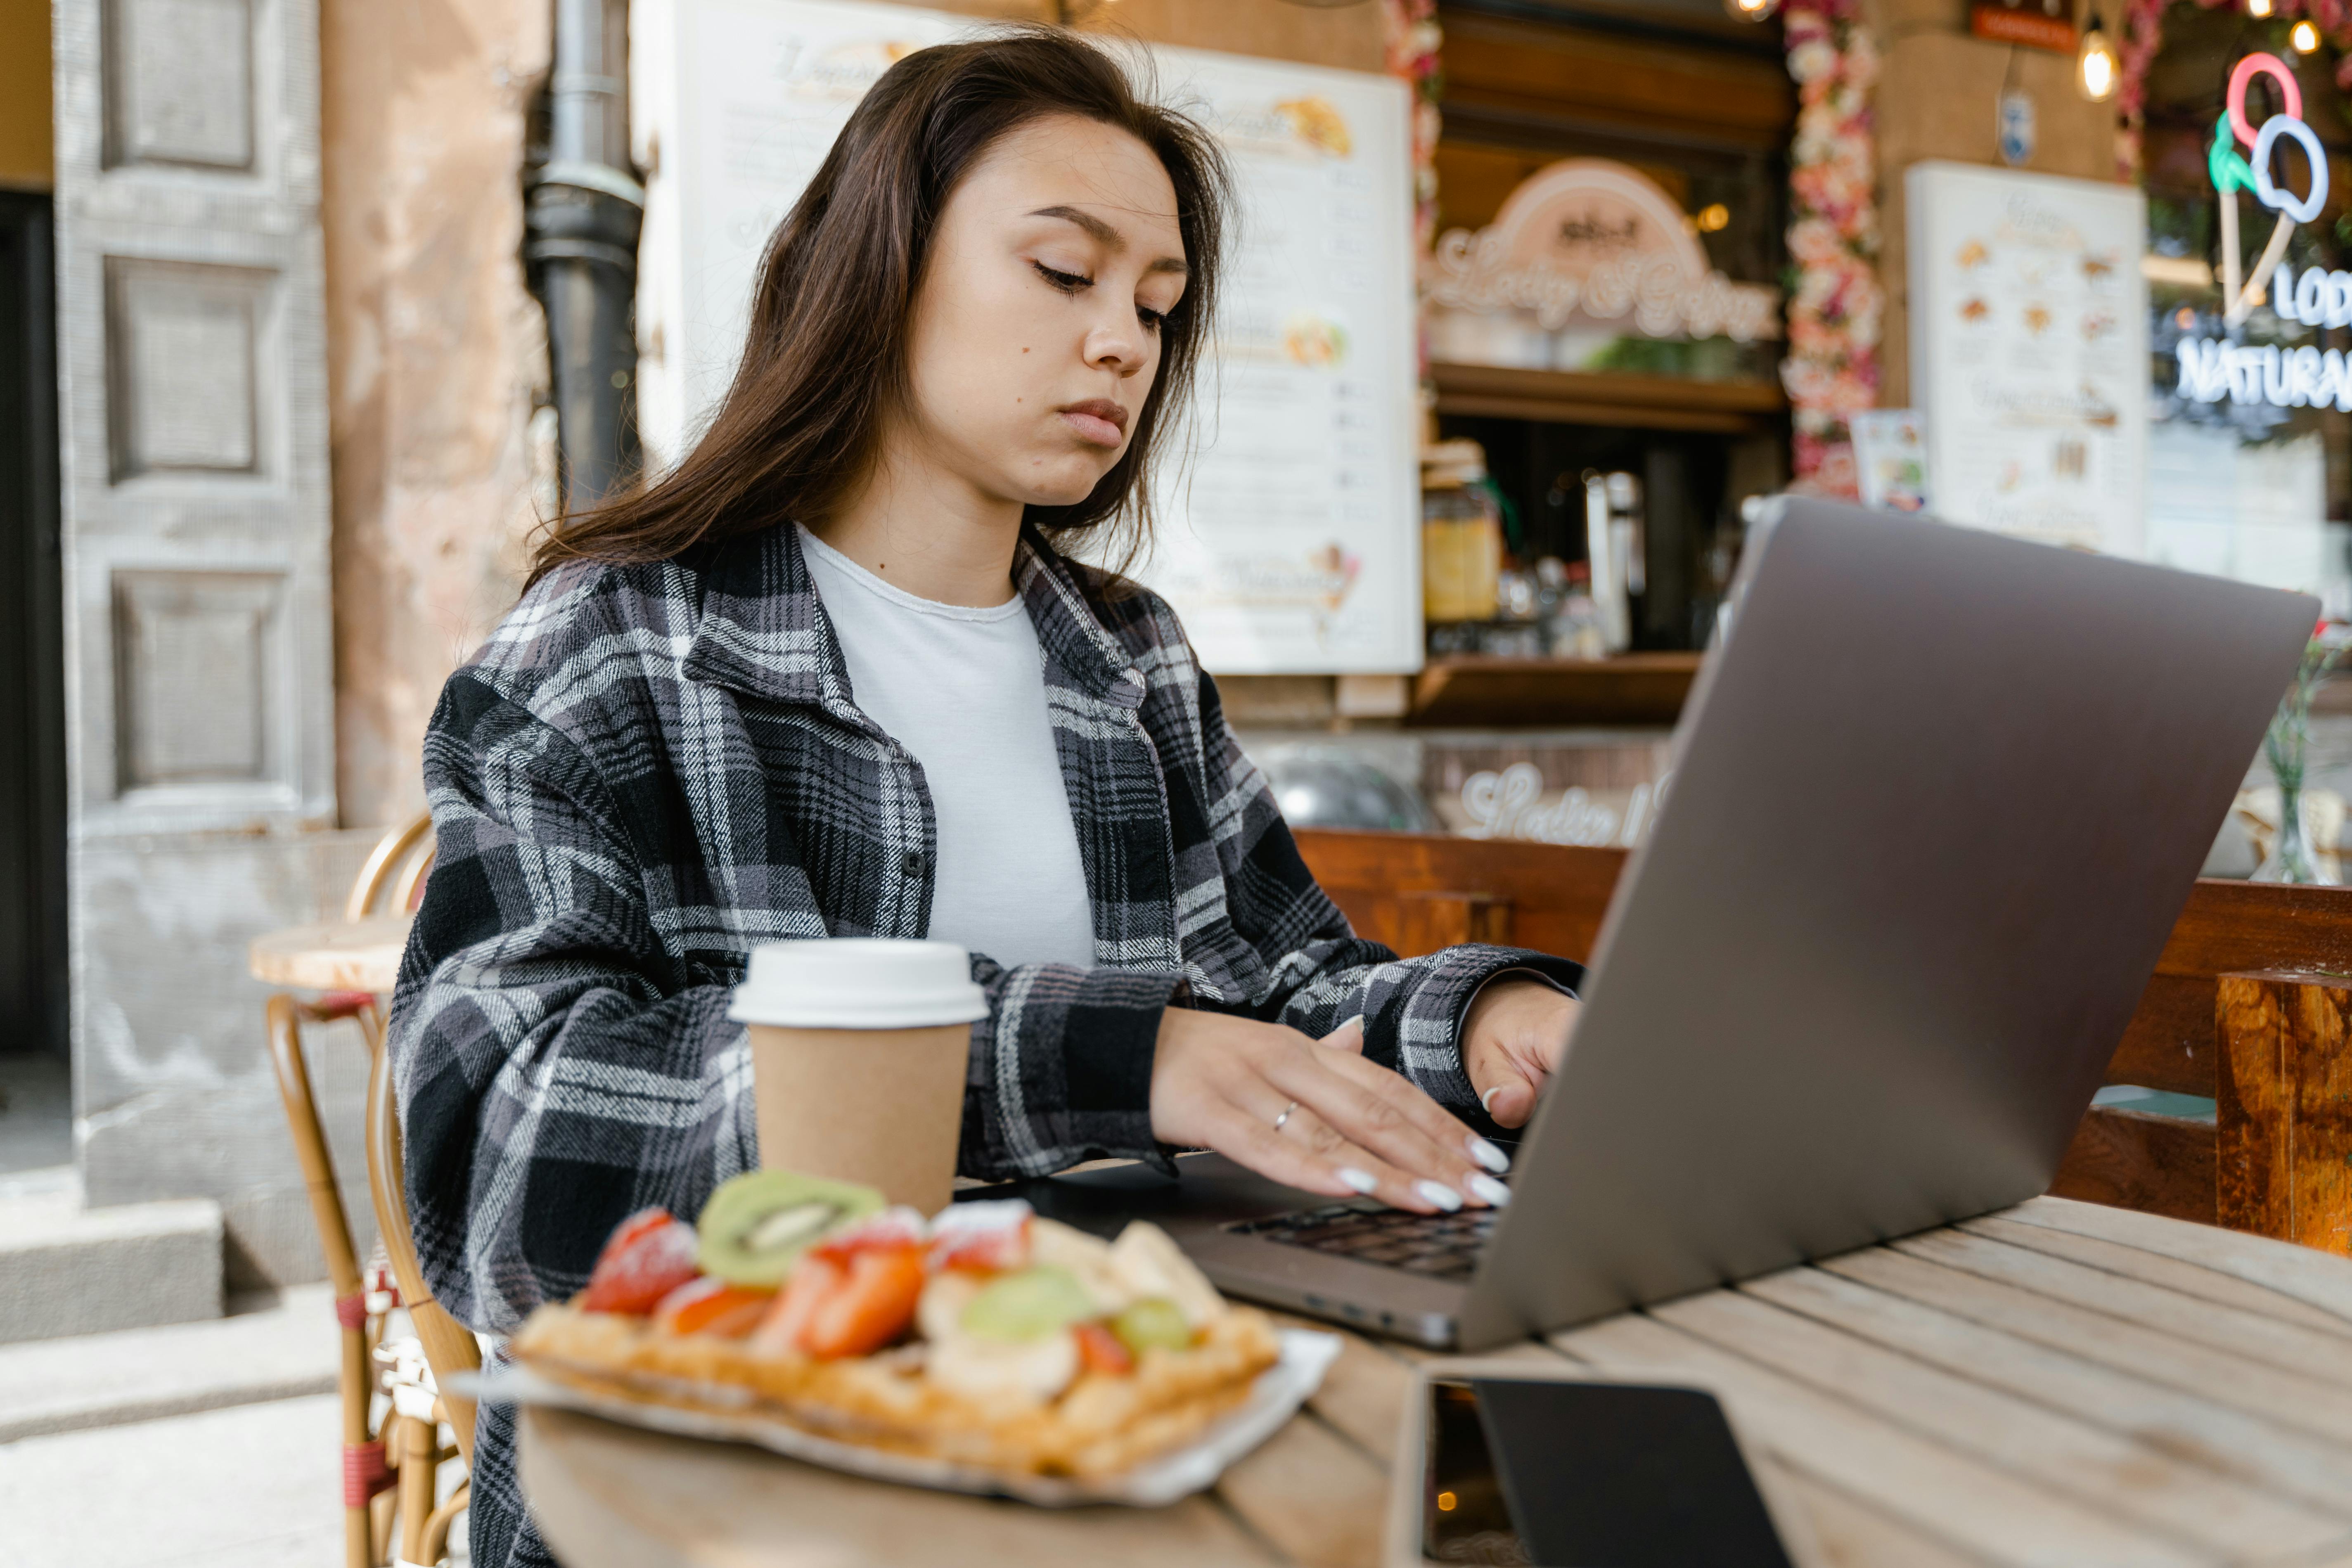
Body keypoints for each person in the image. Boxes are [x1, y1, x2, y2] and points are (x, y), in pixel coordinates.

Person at [389, 26, 1581, 1567]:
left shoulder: (1127, 661)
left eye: (1156, 307)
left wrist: (1484, 1026)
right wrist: (1103, 1052)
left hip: (1104, 1452)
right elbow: (497, 1159)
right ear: (877, 267)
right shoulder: (617, 645)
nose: (1124, 345)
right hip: (737, 1503)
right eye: (1063, 274)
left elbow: (1292, 995)